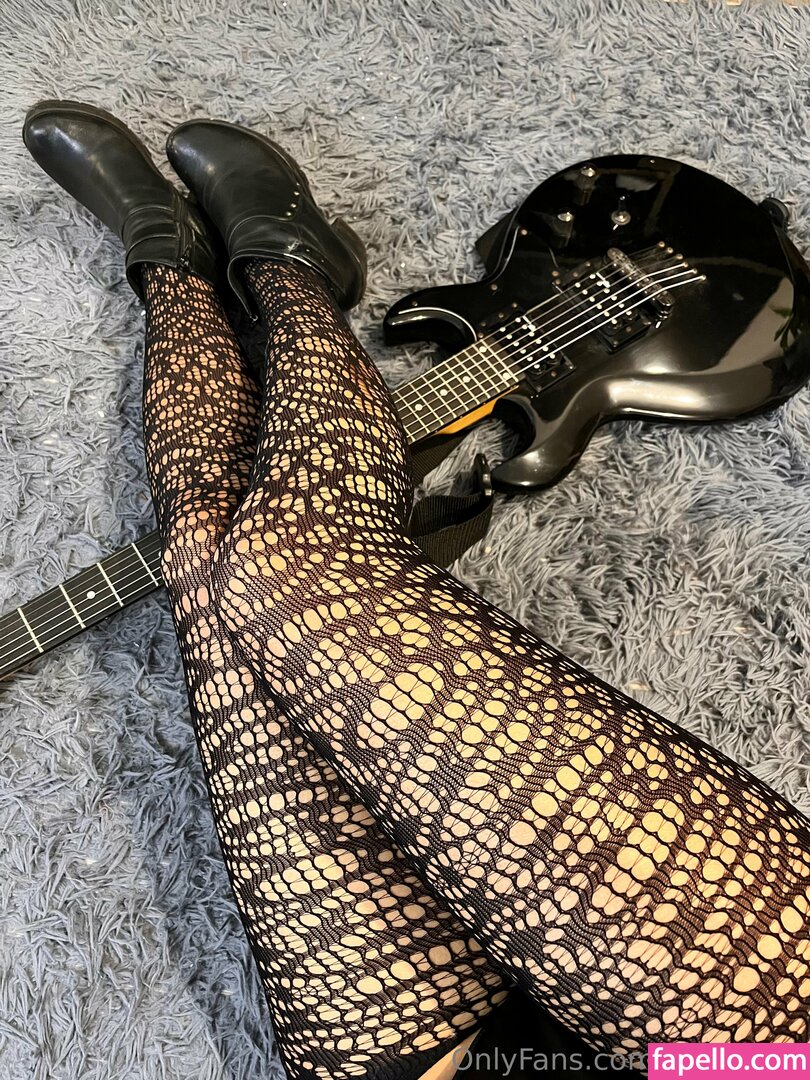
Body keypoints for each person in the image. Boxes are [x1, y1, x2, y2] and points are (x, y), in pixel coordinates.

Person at [23, 102, 809, 1080]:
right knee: (280, 564)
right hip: (756, 1061)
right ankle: (274, 267)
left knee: (209, 557)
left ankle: (184, 264)